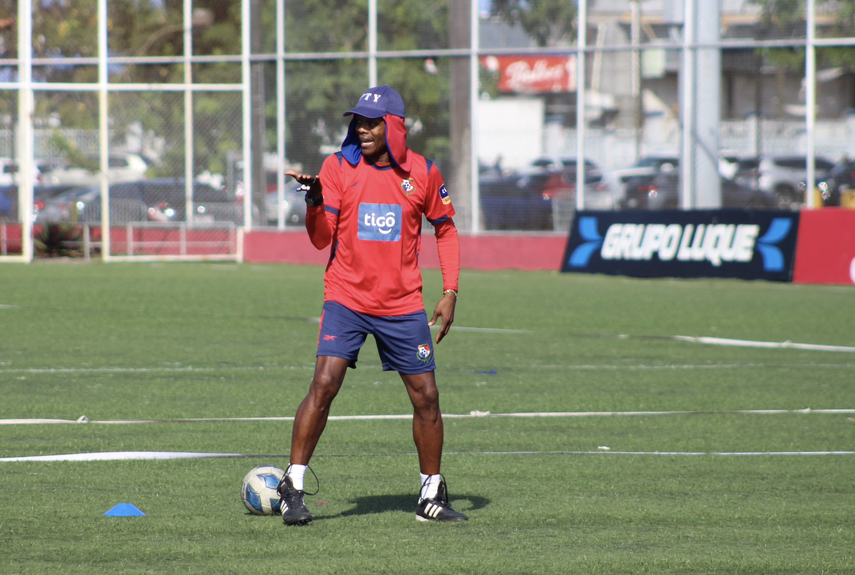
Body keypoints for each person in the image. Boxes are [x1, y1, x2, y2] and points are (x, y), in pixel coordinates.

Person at [278, 85, 468, 525]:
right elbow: (321, 239)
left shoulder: (423, 172)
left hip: (402, 305)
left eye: (372, 122)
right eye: (357, 122)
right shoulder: (338, 167)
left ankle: (431, 494)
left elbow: (446, 230)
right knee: (324, 384)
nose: (361, 129)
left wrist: (450, 291)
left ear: (394, 127)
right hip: (346, 296)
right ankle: (294, 485)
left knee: (428, 397)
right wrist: (314, 201)